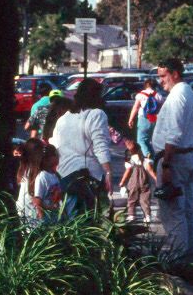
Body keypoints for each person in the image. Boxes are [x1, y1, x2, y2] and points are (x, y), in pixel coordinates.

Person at [152, 58, 193, 257]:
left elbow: (173, 134)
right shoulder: (191, 94)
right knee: (187, 211)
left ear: (175, 74)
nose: (160, 81)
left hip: (175, 160)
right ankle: (191, 257)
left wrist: (166, 165)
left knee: (173, 213)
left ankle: (178, 259)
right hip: (188, 157)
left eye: (163, 76)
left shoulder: (177, 96)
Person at [51, 77, 115, 214]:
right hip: (88, 176)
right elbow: (100, 146)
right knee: (93, 219)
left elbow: (55, 145)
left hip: (65, 176)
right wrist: (108, 172)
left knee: (72, 220)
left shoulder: (63, 119)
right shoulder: (96, 114)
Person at [119, 135, 155, 224]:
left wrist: (122, 182)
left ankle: (131, 215)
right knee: (145, 199)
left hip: (133, 182)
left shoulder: (130, 160)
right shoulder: (145, 160)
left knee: (131, 199)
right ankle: (147, 215)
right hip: (144, 181)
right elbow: (150, 170)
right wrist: (157, 179)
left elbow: (128, 171)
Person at [128, 78, 163, 160]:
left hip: (143, 119)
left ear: (146, 85)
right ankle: (153, 158)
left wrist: (131, 119)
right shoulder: (158, 95)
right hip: (154, 119)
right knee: (149, 140)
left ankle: (147, 155)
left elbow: (135, 108)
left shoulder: (140, 95)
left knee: (141, 140)